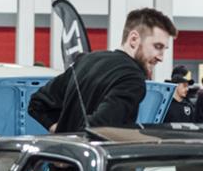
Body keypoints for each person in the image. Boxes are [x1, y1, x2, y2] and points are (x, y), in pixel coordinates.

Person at [29, 8, 177, 132]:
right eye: (157, 47)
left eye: (164, 49)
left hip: (67, 163)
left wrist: (60, 133)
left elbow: (37, 103)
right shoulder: (133, 79)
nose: (161, 58)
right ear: (133, 40)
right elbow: (96, 130)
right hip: (99, 166)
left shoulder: (88, 60)